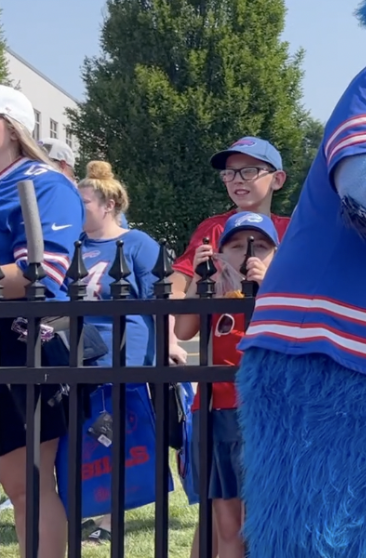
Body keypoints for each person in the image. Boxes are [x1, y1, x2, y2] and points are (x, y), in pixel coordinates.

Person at [0, 86, 84, 558]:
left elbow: (42, 273)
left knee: (26, 487)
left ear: (11, 127)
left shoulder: (46, 183)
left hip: (20, 346)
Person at [175, 211, 279, 558]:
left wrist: (267, 286)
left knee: (264, 523)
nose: (248, 253)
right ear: (220, 254)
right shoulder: (216, 295)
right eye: (235, 246)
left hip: (264, 417)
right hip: (216, 414)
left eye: (261, 246)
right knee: (228, 526)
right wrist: (197, 281)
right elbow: (183, 330)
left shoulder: (280, 295)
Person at [75, 160, 167, 545]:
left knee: (115, 438)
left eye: (84, 202)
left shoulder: (139, 244)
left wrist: (170, 346)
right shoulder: (74, 245)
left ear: (109, 204)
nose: (78, 209)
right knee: (86, 437)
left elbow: (158, 301)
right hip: (79, 357)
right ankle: (88, 509)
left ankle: (110, 519)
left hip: (124, 357)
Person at [167, 137, 290, 300]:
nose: (237, 180)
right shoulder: (214, 228)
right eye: (229, 173)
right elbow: (172, 291)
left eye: (249, 171)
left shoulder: (293, 229)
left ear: (277, 179)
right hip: (225, 323)